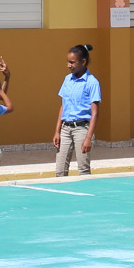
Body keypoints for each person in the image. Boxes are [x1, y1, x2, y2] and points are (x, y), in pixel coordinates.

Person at [52, 45, 100, 176]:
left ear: (83, 62)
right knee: (60, 170)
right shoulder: (68, 79)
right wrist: (57, 131)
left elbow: (95, 113)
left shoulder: (92, 82)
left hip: (82, 129)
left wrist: (88, 138)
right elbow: (63, 106)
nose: (69, 65)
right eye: (68, 62)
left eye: (72, 62)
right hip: (65, 129)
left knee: (83, 169)